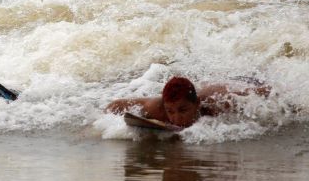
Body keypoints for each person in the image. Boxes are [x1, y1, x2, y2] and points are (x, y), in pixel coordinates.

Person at [106, 76, 270, 128]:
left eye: (183, 110)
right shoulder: (158, 107)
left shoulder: (220, 103)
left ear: (197, 103)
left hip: (245, 83)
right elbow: (115, 105)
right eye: (171, 112)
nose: (176, 119)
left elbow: (269, 95)